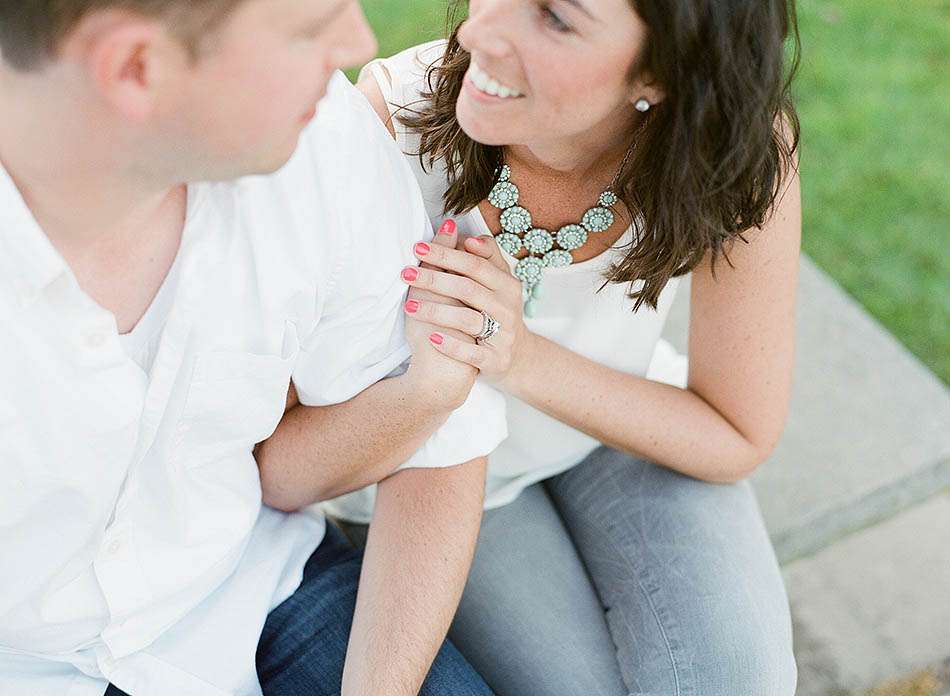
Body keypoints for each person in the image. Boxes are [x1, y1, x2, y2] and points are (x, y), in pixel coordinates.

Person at [0, 1, 506, 694]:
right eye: (307, 29)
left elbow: (439, 444)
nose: (356, 43)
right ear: (136, 68)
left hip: (251, 590)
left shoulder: (322, 138)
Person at [323, 0, 803, 693]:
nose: (477, 30)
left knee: (735, 680)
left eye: (554, 17)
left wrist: (517, 355)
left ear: (660, 73)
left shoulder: (734, 155)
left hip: (615, 425)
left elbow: (736, 431)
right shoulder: (385, 132)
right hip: (434, 478)